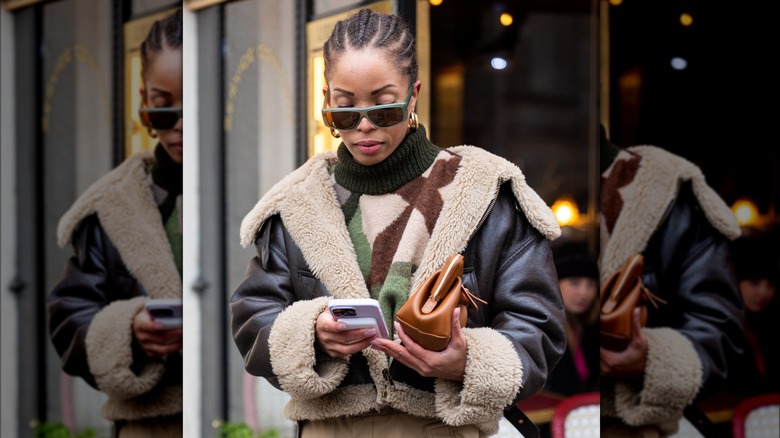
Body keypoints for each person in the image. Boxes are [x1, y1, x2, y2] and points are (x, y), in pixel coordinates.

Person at [230, 8, 566, 437]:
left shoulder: (485, 192)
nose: (365, 126)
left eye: (384, 108)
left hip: (442, 426)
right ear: (326, 102)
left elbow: (539, 326)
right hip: (329, 428)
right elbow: (253, 316)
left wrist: (466, 361)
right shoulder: (297, 203)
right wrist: (312, 333)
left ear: (414, 95)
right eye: (345, 112)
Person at [47, 8, 183, 437]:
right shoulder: (113, 206)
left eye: (191, 107)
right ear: (143, 100)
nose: (178, 126)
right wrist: (128, 330)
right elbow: (69, 316)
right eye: (163, 110)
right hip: (150, 423)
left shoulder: (266, 199)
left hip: (246, 419)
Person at [599, 126, 746, 437]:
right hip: (535, 416)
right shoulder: (505, 186)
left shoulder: (669, 189)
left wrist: (649, 358)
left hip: (636, 426)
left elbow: (718, 328)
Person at [723, 236, 780, 396]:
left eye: (770, 285)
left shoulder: (770, 325)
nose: (764, 292)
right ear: (735, 281)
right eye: (754, 283)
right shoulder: (719, 327)